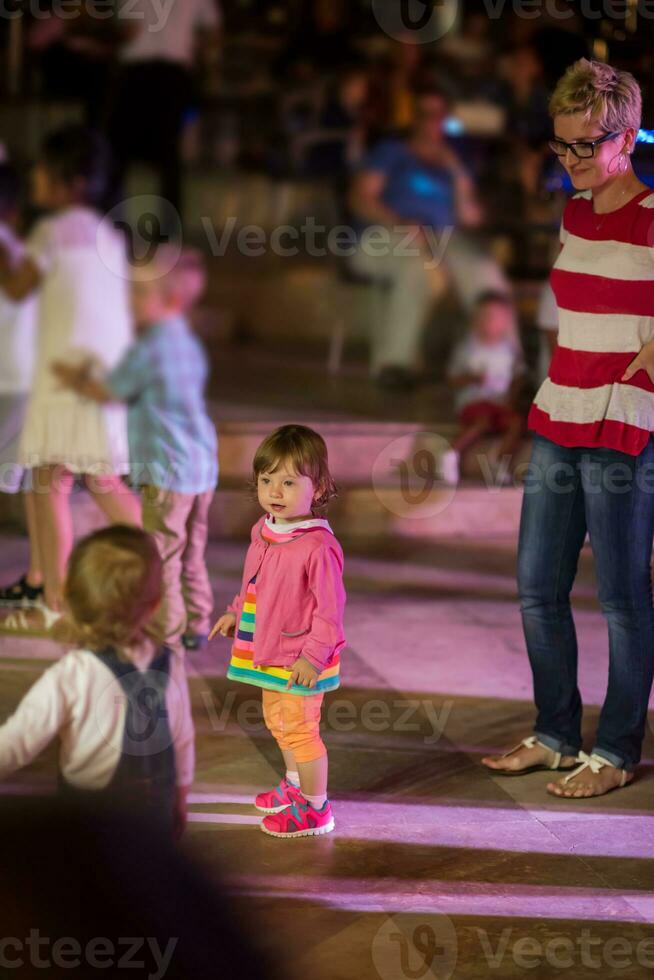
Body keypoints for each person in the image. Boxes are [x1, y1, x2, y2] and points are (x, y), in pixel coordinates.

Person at [482, 59, 654, 798]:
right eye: (561, 146)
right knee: (535, 587)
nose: (572, 161)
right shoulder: (575, 212)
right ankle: (556, 734)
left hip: (624, 424)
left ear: (627, 137)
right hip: (561, 411)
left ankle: (615, 751)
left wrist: (635, 383)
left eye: (586, 146)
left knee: (620, 596)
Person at [0, 125, 140, 633]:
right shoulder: (108, 235)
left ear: (70, 180)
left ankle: (57, 602)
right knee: (79, 477)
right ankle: (156, 560)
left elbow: (17, 289)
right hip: (100, 377)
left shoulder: (51, 233)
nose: (35, 174)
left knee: (53, 480)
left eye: (43, 167)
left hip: (66, 377)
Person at [54, 245, 218, 655]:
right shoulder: (187, 343)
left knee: (163, 557)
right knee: (192, 551)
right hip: (202, 469)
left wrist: (73, 376)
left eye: (139, 294)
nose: (129, 302)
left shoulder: (150, 349)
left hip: (169, 471)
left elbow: (109, 391)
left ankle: (168, 635)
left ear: (172, 299)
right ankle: (199, 622)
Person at [0, 525, 194, 837]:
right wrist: (181, 795)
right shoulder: (170, 662)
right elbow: (182, 737)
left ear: (68, 599)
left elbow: (17, 742)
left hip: (88, 822)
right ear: (155, 604)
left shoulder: (73, 673)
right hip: (154, 814)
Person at [209, 425, 345, 839]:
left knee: (301, 729)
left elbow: (330, 611)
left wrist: (313, 658)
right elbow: (255, 581)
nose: (275, 491)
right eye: (267, 480)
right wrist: (237, 611)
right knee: (278, 721)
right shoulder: (265, 528)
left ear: (317, 487)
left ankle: (317, 808)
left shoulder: (317, 546)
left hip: (301, 658)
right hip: (266, 649)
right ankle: (295, 785)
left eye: (289, 482)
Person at [348, 83, 507, 390]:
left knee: (484, 272)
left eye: (437, 114)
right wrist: (400, 222)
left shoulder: (454, 163)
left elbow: (470, 217)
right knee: (417, 269)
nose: (429, 121)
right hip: (385, 236)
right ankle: (395, 365)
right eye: (423, 113)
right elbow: (360, 198)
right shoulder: (392, 152)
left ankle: (504, 367)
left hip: (442, 240)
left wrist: (457, 173)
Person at [106, 0, 222, 220]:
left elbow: (124, 30)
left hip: (144, 72)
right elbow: (213, 32)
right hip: (167, 73)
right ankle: (164, 230)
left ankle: (115, 223)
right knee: (166, 153)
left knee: (122, 150)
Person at [0, 164, 41, 609]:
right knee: (36, 482)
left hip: (10, 380)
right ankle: (39, 577)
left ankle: (41, 577)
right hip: (21, 378)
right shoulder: (20, 247)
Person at [441, 291, 525, 485]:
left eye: (497, 317)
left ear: (506, 322)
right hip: (474, 403)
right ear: (475, 319)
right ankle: (451, 454)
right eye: (485, 316)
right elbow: (452, 379)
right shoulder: (468, 348)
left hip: (499, 404)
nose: (490, 322)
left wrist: (512, 397)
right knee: (482, 421)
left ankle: (498, 462)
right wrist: (472, 378)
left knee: (516, 424)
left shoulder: (508, 349)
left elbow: (518, 376)